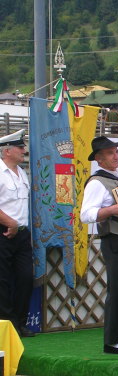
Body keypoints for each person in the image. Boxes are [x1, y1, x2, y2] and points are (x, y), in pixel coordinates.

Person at [81, 136, 118, 354]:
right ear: (99, 159)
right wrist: (113, 210)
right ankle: (111, 341)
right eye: (110, 153)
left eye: (116, 152)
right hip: (113, 240)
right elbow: (85, 215)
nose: (116, 156)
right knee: (117, 291)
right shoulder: (97, 182)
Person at [0, 130, 35, 338]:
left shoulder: (21, 173)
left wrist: (17, 225)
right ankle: (7, 325)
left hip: (21, 233)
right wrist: (9, 222)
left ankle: (20, 322)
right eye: (20, 147)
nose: (24, 150)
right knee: (2, 280)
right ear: (7, 151)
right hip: (3, 231)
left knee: (25, 277)